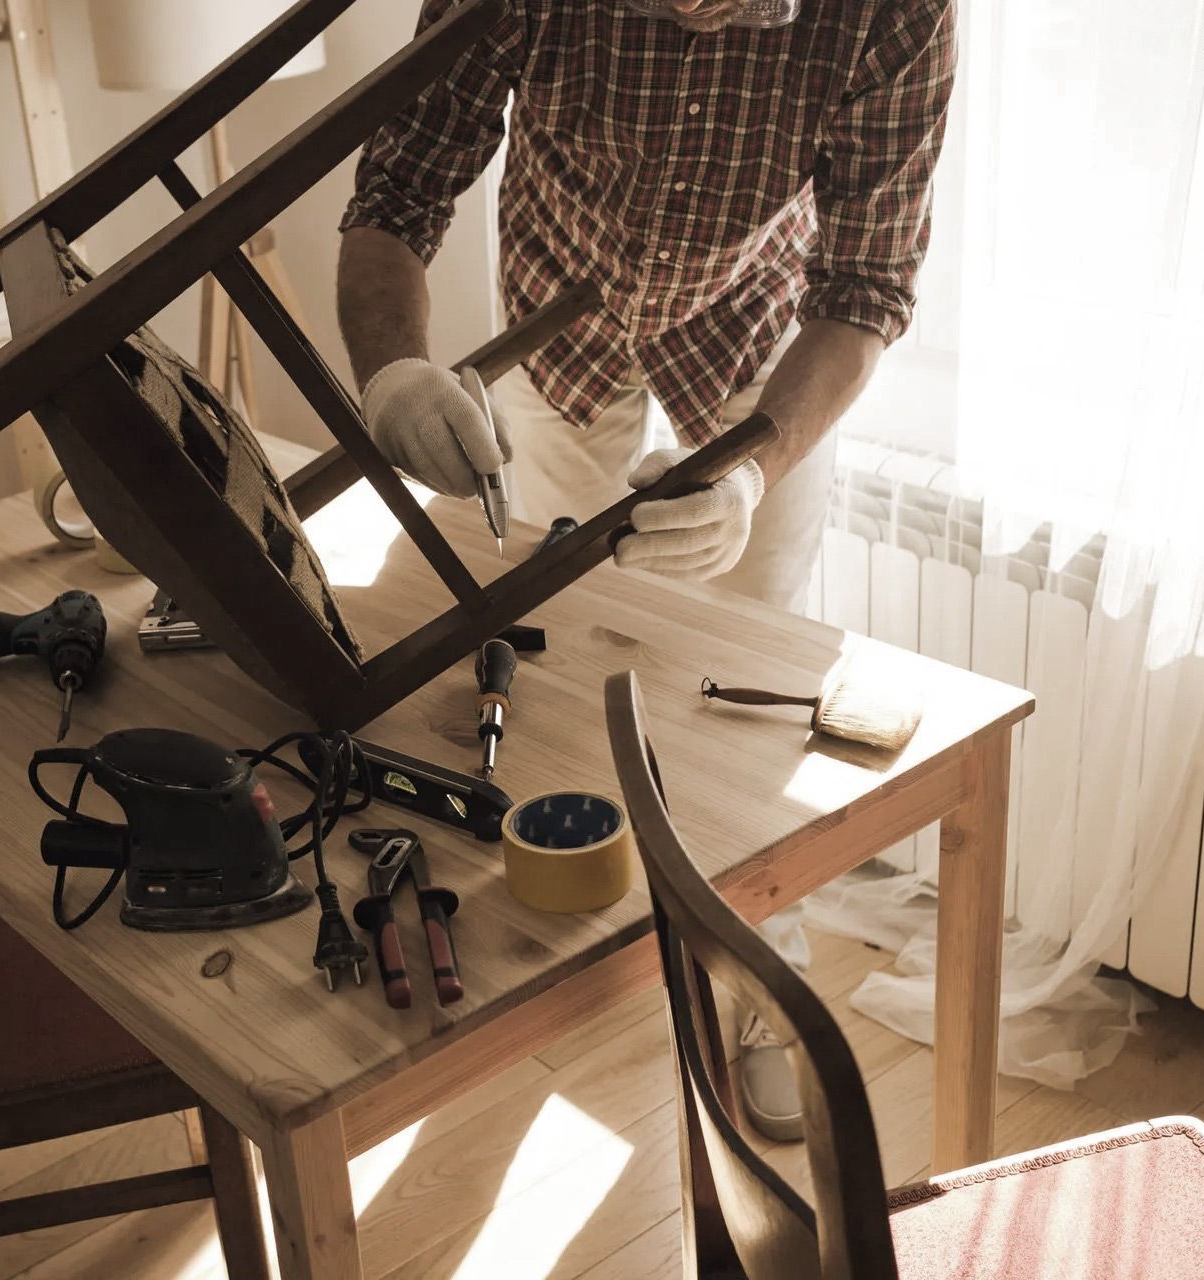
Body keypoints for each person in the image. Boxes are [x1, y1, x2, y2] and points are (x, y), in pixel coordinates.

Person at [337, 0, 956, 1141]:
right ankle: (569, 964)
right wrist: (391, 376)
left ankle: (767, 993)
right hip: (558, 328)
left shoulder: (894, 10)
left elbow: (866, 286)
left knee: (759, 712)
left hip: (756, 353)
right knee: (551, 672)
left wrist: (754, 472)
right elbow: (401, 186)